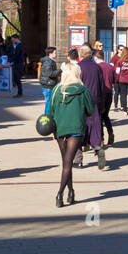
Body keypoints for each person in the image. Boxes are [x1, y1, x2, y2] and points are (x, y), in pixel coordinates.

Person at [50, 62, 94, 207]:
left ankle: (71, 191)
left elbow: (51, 112)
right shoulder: (82, 90)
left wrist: (53, 130)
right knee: (68, 163)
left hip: (59, 129)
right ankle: (60, 193)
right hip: (76, 129)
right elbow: (90, 110)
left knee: (66, 162)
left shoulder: (57, 90)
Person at [77, 44, 109, 169]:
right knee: (95, 126)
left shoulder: (78, 68)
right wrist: (101, 104)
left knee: (80, 128)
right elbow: (102, 86)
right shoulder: (97, 68)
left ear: (80, 55)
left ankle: (78, 160)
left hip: (80, 101)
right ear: (91, 55)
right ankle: (97, 147)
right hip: (94, 100)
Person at [95, 47, 117, 147]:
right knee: (106, 115)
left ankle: (101, 139)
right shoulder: (111, 67)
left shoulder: (96, 67)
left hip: (100, 94)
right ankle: (110, 132)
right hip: (109, 93)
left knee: (99, 116)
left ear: (96, 57)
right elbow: (114, 81)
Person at [114, 46, 128, 113]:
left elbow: (117, 72)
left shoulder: (119, 61)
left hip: (122, 80)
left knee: (123, 95)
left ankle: (124, 110)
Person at [39, 46, 61, 115]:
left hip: (49, 84)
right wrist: (61, 69)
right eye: (55, 53)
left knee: (50, 103)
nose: (56, 54)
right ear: (50, 54)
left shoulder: (50, 61)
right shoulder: (48, 62)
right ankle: (47, 119)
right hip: (48, 85)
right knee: (49, 103)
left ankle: (48, 117)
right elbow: (50, 74)